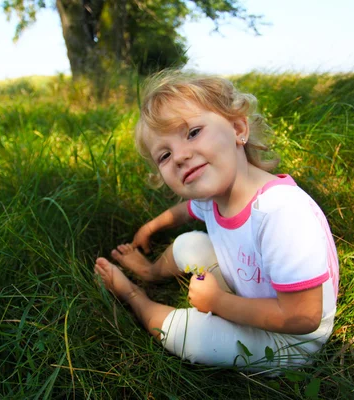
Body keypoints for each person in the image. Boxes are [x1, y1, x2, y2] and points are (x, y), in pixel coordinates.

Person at [94, 71, 339, 372]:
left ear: (238, 128)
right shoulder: (216, 196)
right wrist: (151, 227)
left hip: (290, 339)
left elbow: (304, 317)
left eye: (193, 132)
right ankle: (151, 271)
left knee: (193, 337)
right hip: (248, 291)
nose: (181, 156)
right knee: (189, 242)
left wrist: (217, 302)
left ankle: (135, 297)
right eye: (165, 155)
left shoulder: (280, 212)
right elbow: (186, 211)